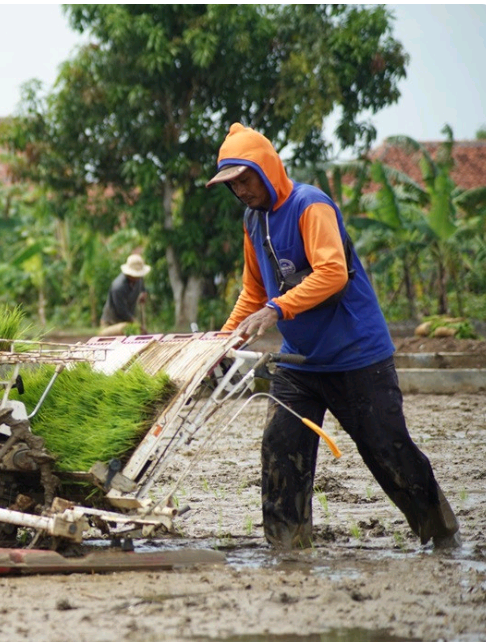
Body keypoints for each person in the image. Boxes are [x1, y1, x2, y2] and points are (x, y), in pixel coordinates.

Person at [207, 122, 461, 550]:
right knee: (280, 447)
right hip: (299, 362)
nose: (242, 191)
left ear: (266, 168)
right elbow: (255, 289)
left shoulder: (310, 205)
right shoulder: (253, 221)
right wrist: (224, 339)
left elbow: (332, 272)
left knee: (388, 451)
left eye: (245, 179)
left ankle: (440, 533)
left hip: (356, 356)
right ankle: (287, 548)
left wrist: (277, 308)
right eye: (233, 185)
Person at [100, 253, 150, 331]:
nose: (138, 277)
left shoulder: (139, 279)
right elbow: (121, 310)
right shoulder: (118, 287)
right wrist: (135, 323)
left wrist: (143, 293)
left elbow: (142, 287)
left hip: (127, 320)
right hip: (112, 322)